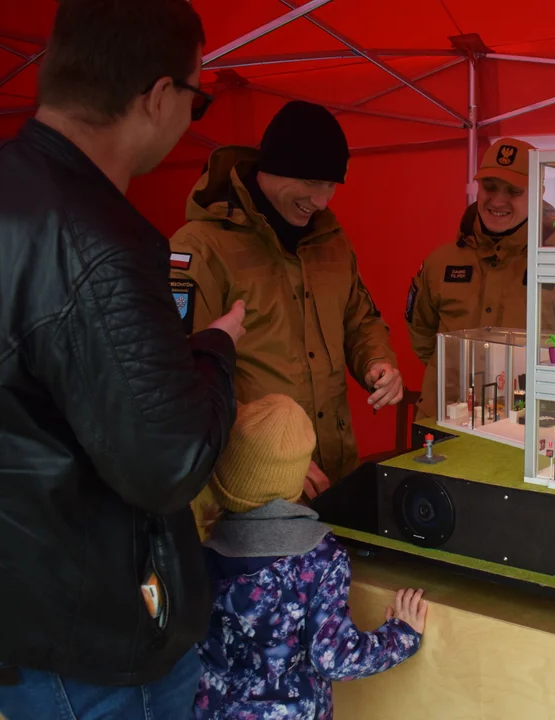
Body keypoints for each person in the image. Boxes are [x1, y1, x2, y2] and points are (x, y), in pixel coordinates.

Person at [0, 1, 243, 718]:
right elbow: (165, 462)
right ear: (160, 96)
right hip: (83, 638)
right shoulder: (98, 239)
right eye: (196, 100)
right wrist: (216, 353)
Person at [170, 101, 401, 505]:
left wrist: (378, 362)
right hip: (249, 493)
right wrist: (268, 452)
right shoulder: (200, 249)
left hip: (333, 474)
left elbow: (360, 319)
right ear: (271, 168)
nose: (323, 200)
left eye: (331, 185)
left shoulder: (331, 241)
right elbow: (178, 375)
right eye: (312, 182)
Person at [195, 394, 426, 719]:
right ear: (297, 476)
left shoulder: (201, 552)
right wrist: (401, 635)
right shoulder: (318, 558)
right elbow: (334, 658)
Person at [406, 138, 555, 419]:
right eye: (489, 187)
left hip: (526, 426)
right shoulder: (441, 262)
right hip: (444, 418)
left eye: (513, 191)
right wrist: (454, 374)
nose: (497, 200)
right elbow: (423, 337)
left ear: (538, 192)